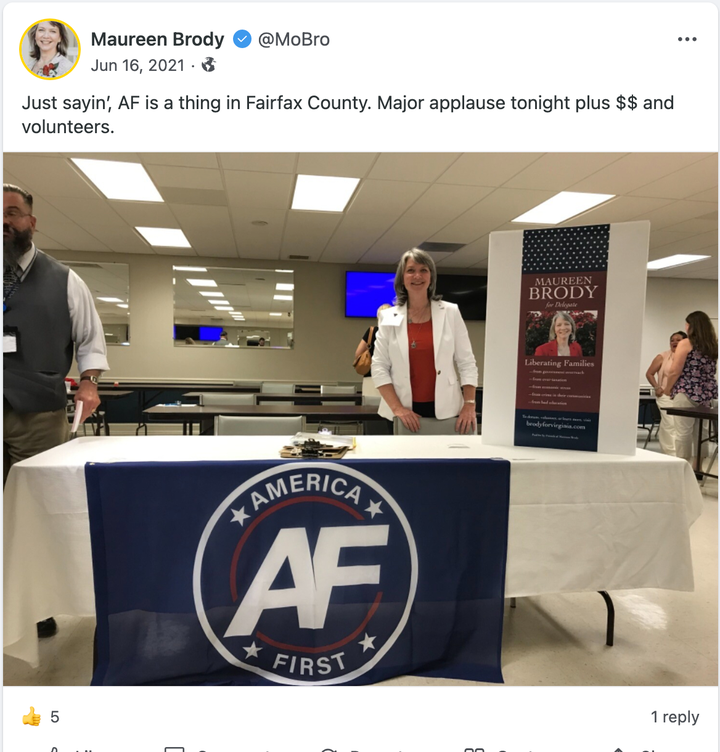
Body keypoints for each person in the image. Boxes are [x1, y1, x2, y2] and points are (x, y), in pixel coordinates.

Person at [4, 184, 109, 637]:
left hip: (39, 412)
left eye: (13, 213)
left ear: (31, 221)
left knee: (39, 509)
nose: (6, 222)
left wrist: (89, 381)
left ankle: (39, 603)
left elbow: (90, 339)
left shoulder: (65, 279)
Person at [372, 249, 478, 434]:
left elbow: (466, 362)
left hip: (446, 410)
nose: (417, 276)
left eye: (424, 270)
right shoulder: (388, 316)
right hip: (402, 410)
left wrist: (469, 404)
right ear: (402, 278)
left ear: (431, 277)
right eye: (411, 270)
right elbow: (379, 366)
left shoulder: (450, 312)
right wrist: (397, 409)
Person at [665, 311, 718, 468]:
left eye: (687, 324)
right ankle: (698, 467)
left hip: (686, 392)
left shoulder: (686, 343)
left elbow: (675, 370)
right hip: (706, 393)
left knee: (683, 432)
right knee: (701, 433)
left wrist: (668, 388)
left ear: (692, 326)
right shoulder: (713, 344)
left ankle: (683, 467)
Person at [645, 331, 688, 455]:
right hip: (665, 395)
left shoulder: (689, 357)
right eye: (672, 340)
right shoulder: (662, 356)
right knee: (670, 423)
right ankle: (671, 453)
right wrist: (657, 387)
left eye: (678, 340)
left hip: (683, 396)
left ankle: (680, 452)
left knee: (679, 425)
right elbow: (649, 373)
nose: (674, 342)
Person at [355, 303, 391, 399]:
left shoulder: (372, 331)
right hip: (390, 378)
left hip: (370, 376)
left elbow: (358, 354)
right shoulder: (396, 333)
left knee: (368, 409)